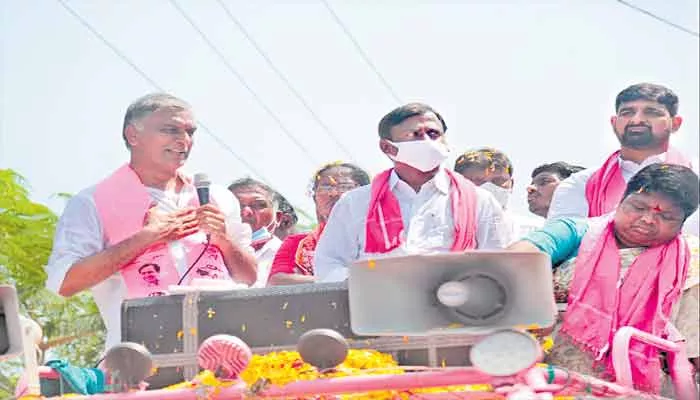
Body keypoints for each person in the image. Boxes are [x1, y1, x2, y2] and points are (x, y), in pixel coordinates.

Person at [45, 93, 257, 350]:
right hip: (139, 359)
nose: (184, 141)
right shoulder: (91, 202)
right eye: (171, 130)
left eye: (190, 132)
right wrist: (148, 237)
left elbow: (249, 276)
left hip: (223, 353)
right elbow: (65, 282)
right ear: (133, 135)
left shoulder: (217, 197)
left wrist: (223, 240)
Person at [509, 163, 699, 395]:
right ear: (621, 200)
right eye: (639, 206)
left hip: (646, 387)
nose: (648, 219)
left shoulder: (690, 259)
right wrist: (541, 303)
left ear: (682, 224)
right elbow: (516, 258)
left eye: (666, 216)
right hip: (551, 380)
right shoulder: (575, 231)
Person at [314, 103, 512, 282]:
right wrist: (370, 285)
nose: (427, 141)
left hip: (456, 315)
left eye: (434, 134)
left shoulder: (478, 201)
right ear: (388, 147)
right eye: (416, 135)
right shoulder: (356, 203)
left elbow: (499, 264)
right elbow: (328, 264)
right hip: (378, 314)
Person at [548, 83, 698, 234]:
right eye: (627, 112)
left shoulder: (695, 177)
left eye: (651, 112)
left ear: (675, 123)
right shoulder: (579, 185)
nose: (637, 120)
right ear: (614, 123)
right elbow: (561, 246)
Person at [268, 162, 370, 285]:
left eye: (344, 186)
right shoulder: (298, 243)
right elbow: (277, 282)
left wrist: (304, 280)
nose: (333, 193)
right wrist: (343, 280)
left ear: (365, 196)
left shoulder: (384, 238)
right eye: (326, 187)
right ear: (315, 198)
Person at [454, 147, 543, 239]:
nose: (488, 188)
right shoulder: (444, 228)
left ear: (511, 185)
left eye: (497, 181)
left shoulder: (534, 232)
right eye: (478, 181)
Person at [228, 178, 282, 287]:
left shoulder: (290, 255)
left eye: (259, 205)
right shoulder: (205, 249)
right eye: (237, 205)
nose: (246, 212)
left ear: (278, 218)